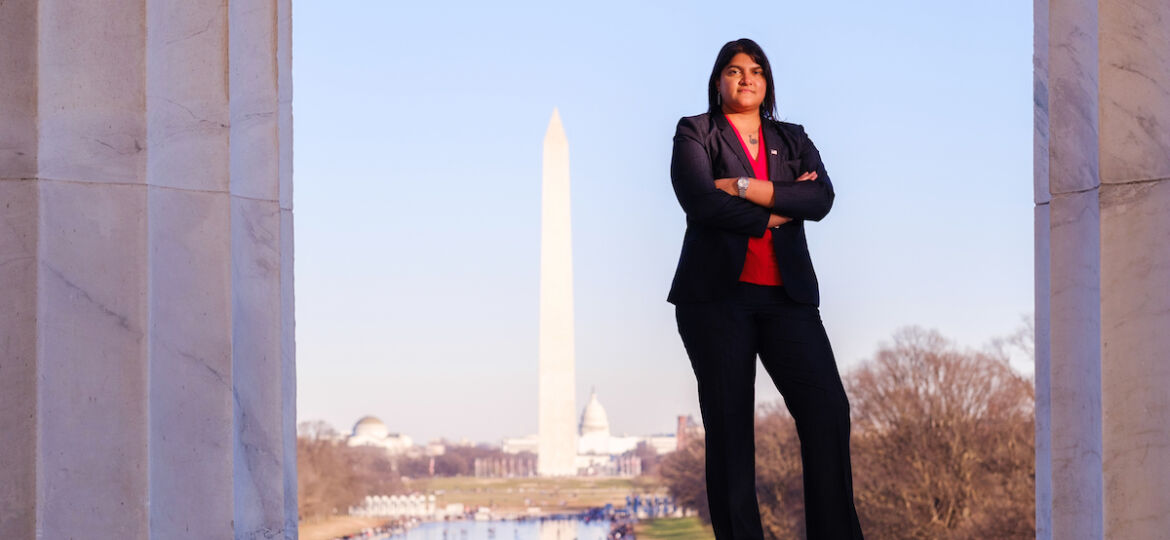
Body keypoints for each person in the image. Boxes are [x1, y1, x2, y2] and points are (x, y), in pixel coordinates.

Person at [668, 38, 864, 539]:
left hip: (787, 298)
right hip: (716, 299)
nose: (746, 78)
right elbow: (698, 202)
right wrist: (779, 209)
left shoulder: (791, 136)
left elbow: (820, 198)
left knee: (827, 412)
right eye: (734, 71)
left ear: (768, 81)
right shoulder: (696, 132)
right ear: (718, 81)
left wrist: (738, 186)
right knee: (731, 430)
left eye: (756, 70)